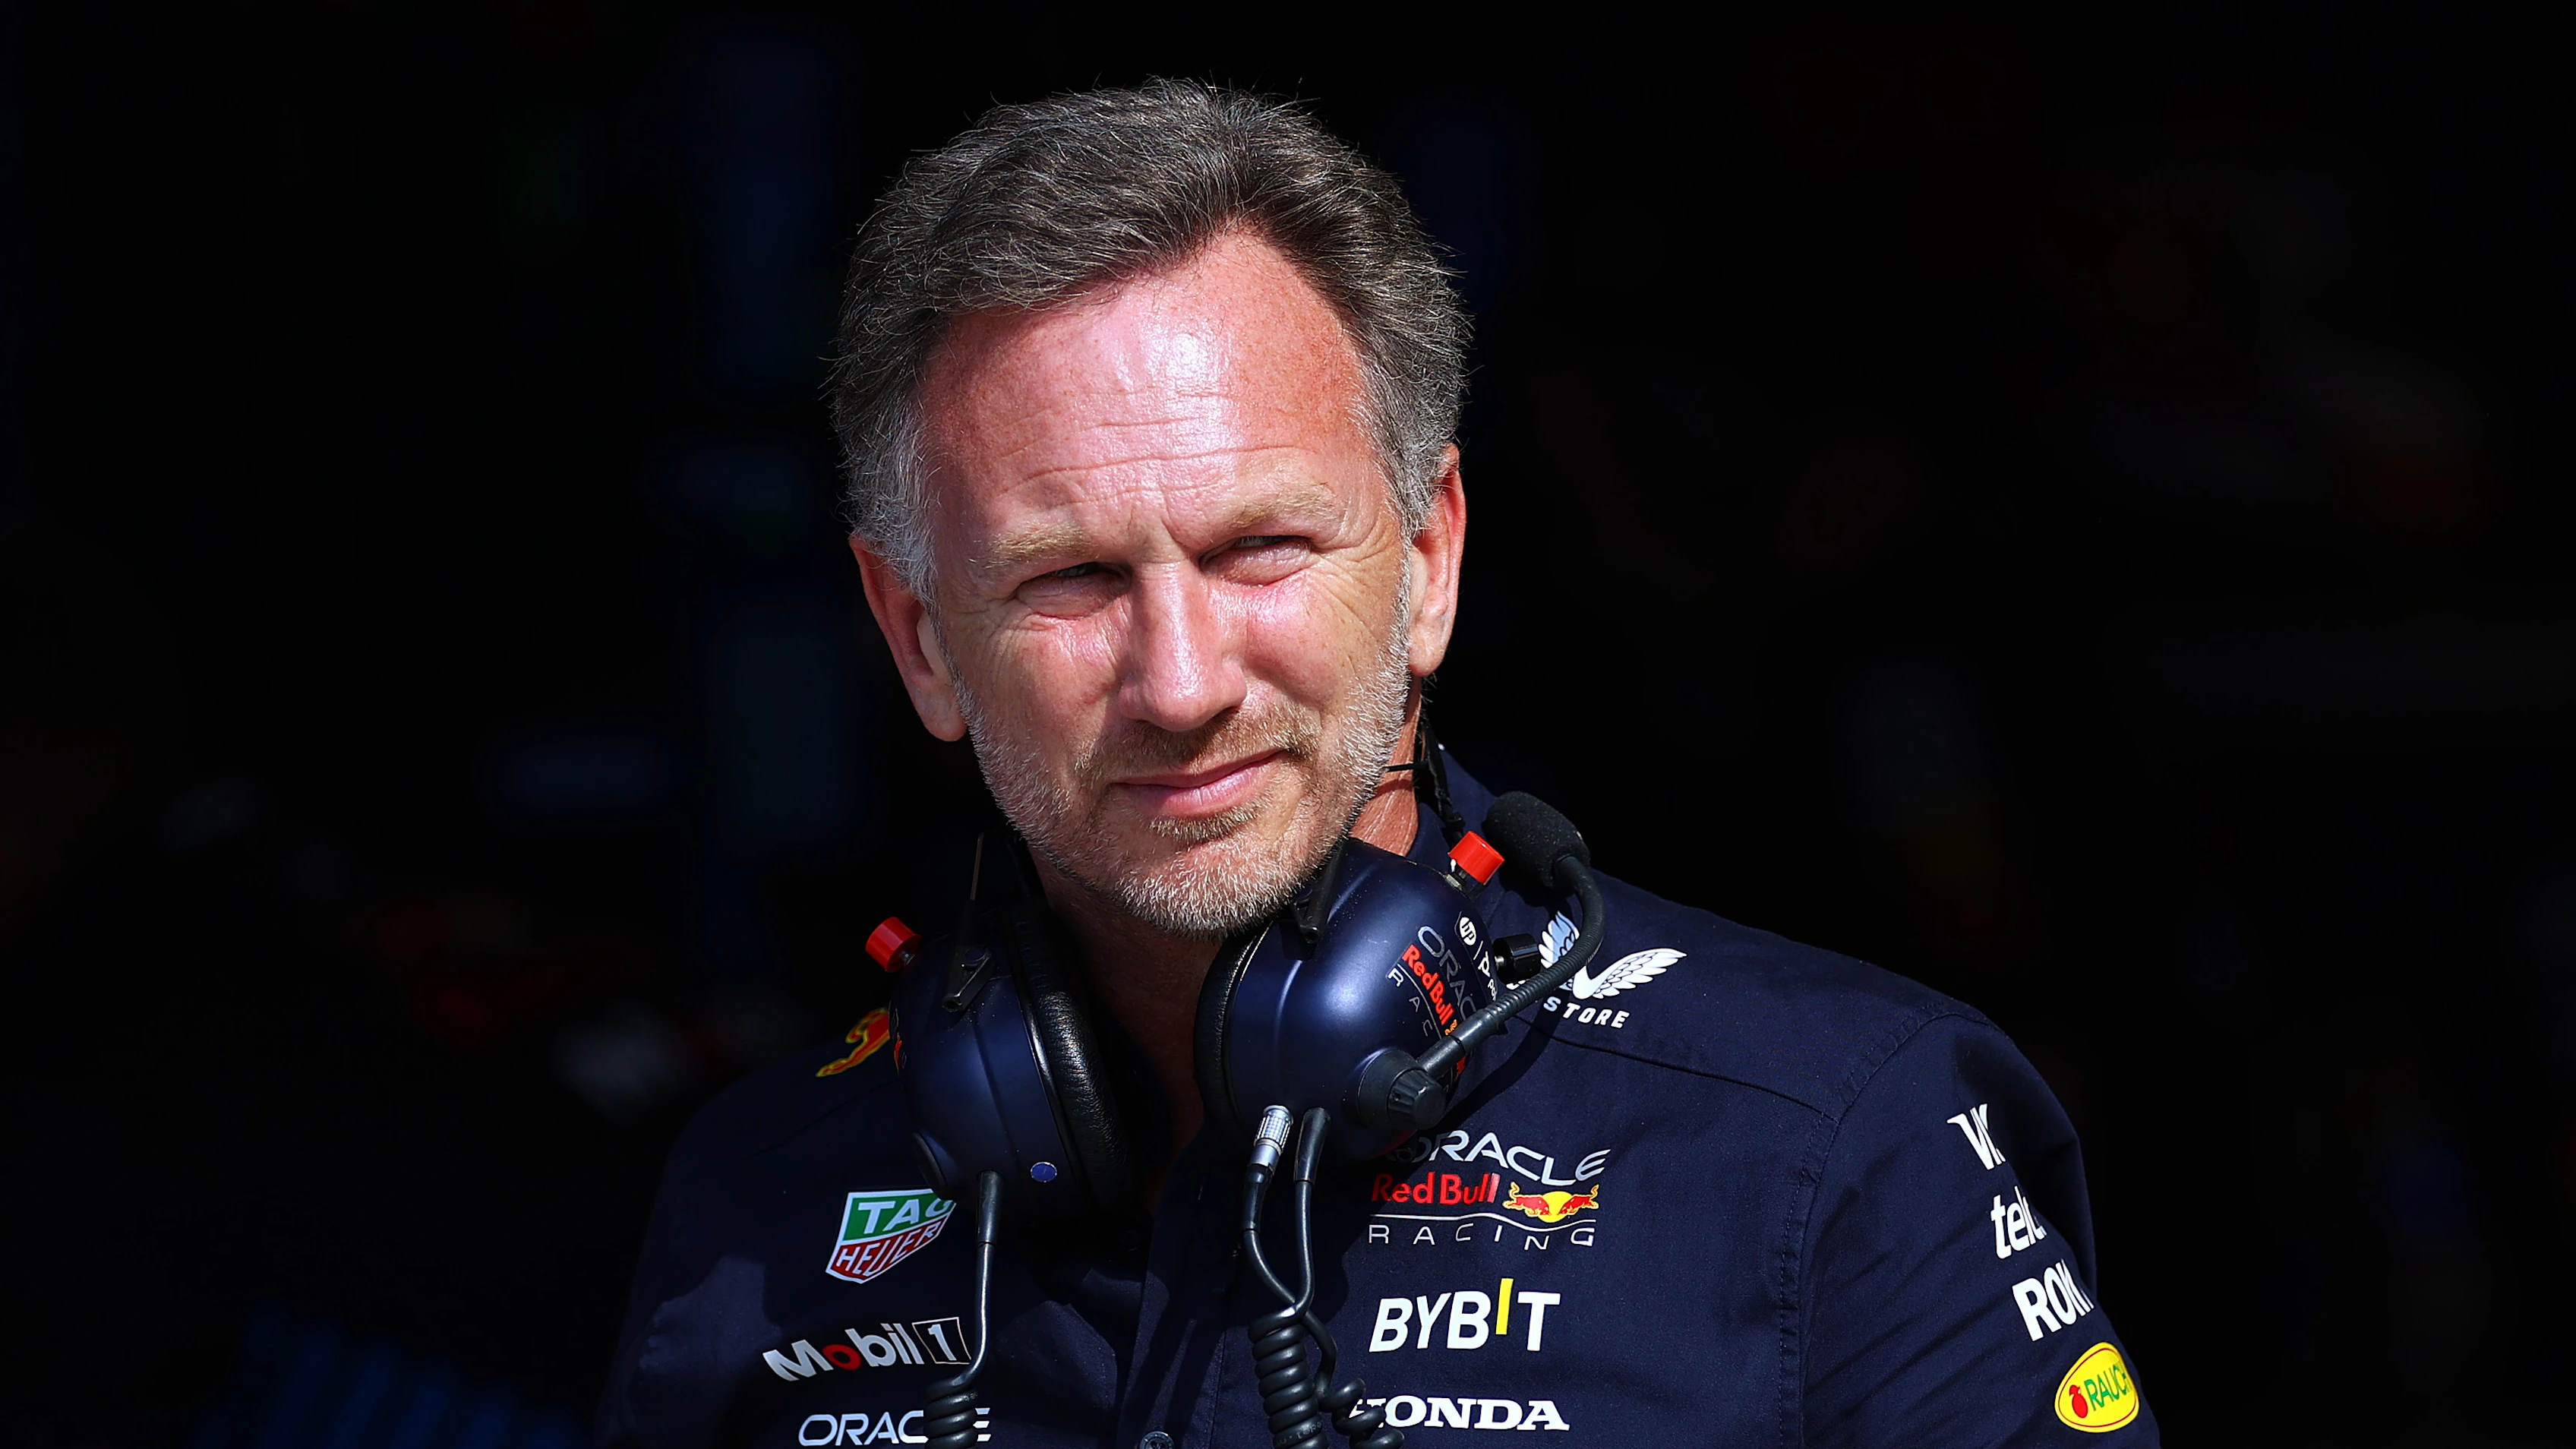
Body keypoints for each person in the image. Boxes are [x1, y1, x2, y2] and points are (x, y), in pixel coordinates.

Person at [598, 80, 2158, 1448]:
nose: (1182, 682)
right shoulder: (760, 1199)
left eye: (1259, 549)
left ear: (1427, 561)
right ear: (921, 637)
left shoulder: (1840, 1136)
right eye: (1066, 580)